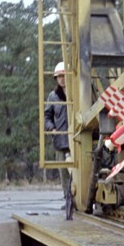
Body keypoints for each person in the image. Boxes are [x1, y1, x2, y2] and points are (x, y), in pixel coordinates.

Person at [44, 62, 70, 207]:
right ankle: (68, 200)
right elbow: (47, 116)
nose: (61, 79)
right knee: (64, 173)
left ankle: (81, 200)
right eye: (59, 76)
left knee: (78, 173)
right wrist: (52, 129)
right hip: (60, 141)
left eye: (64, 76)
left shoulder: (78, 94)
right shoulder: (53, 96)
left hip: (76, 140)